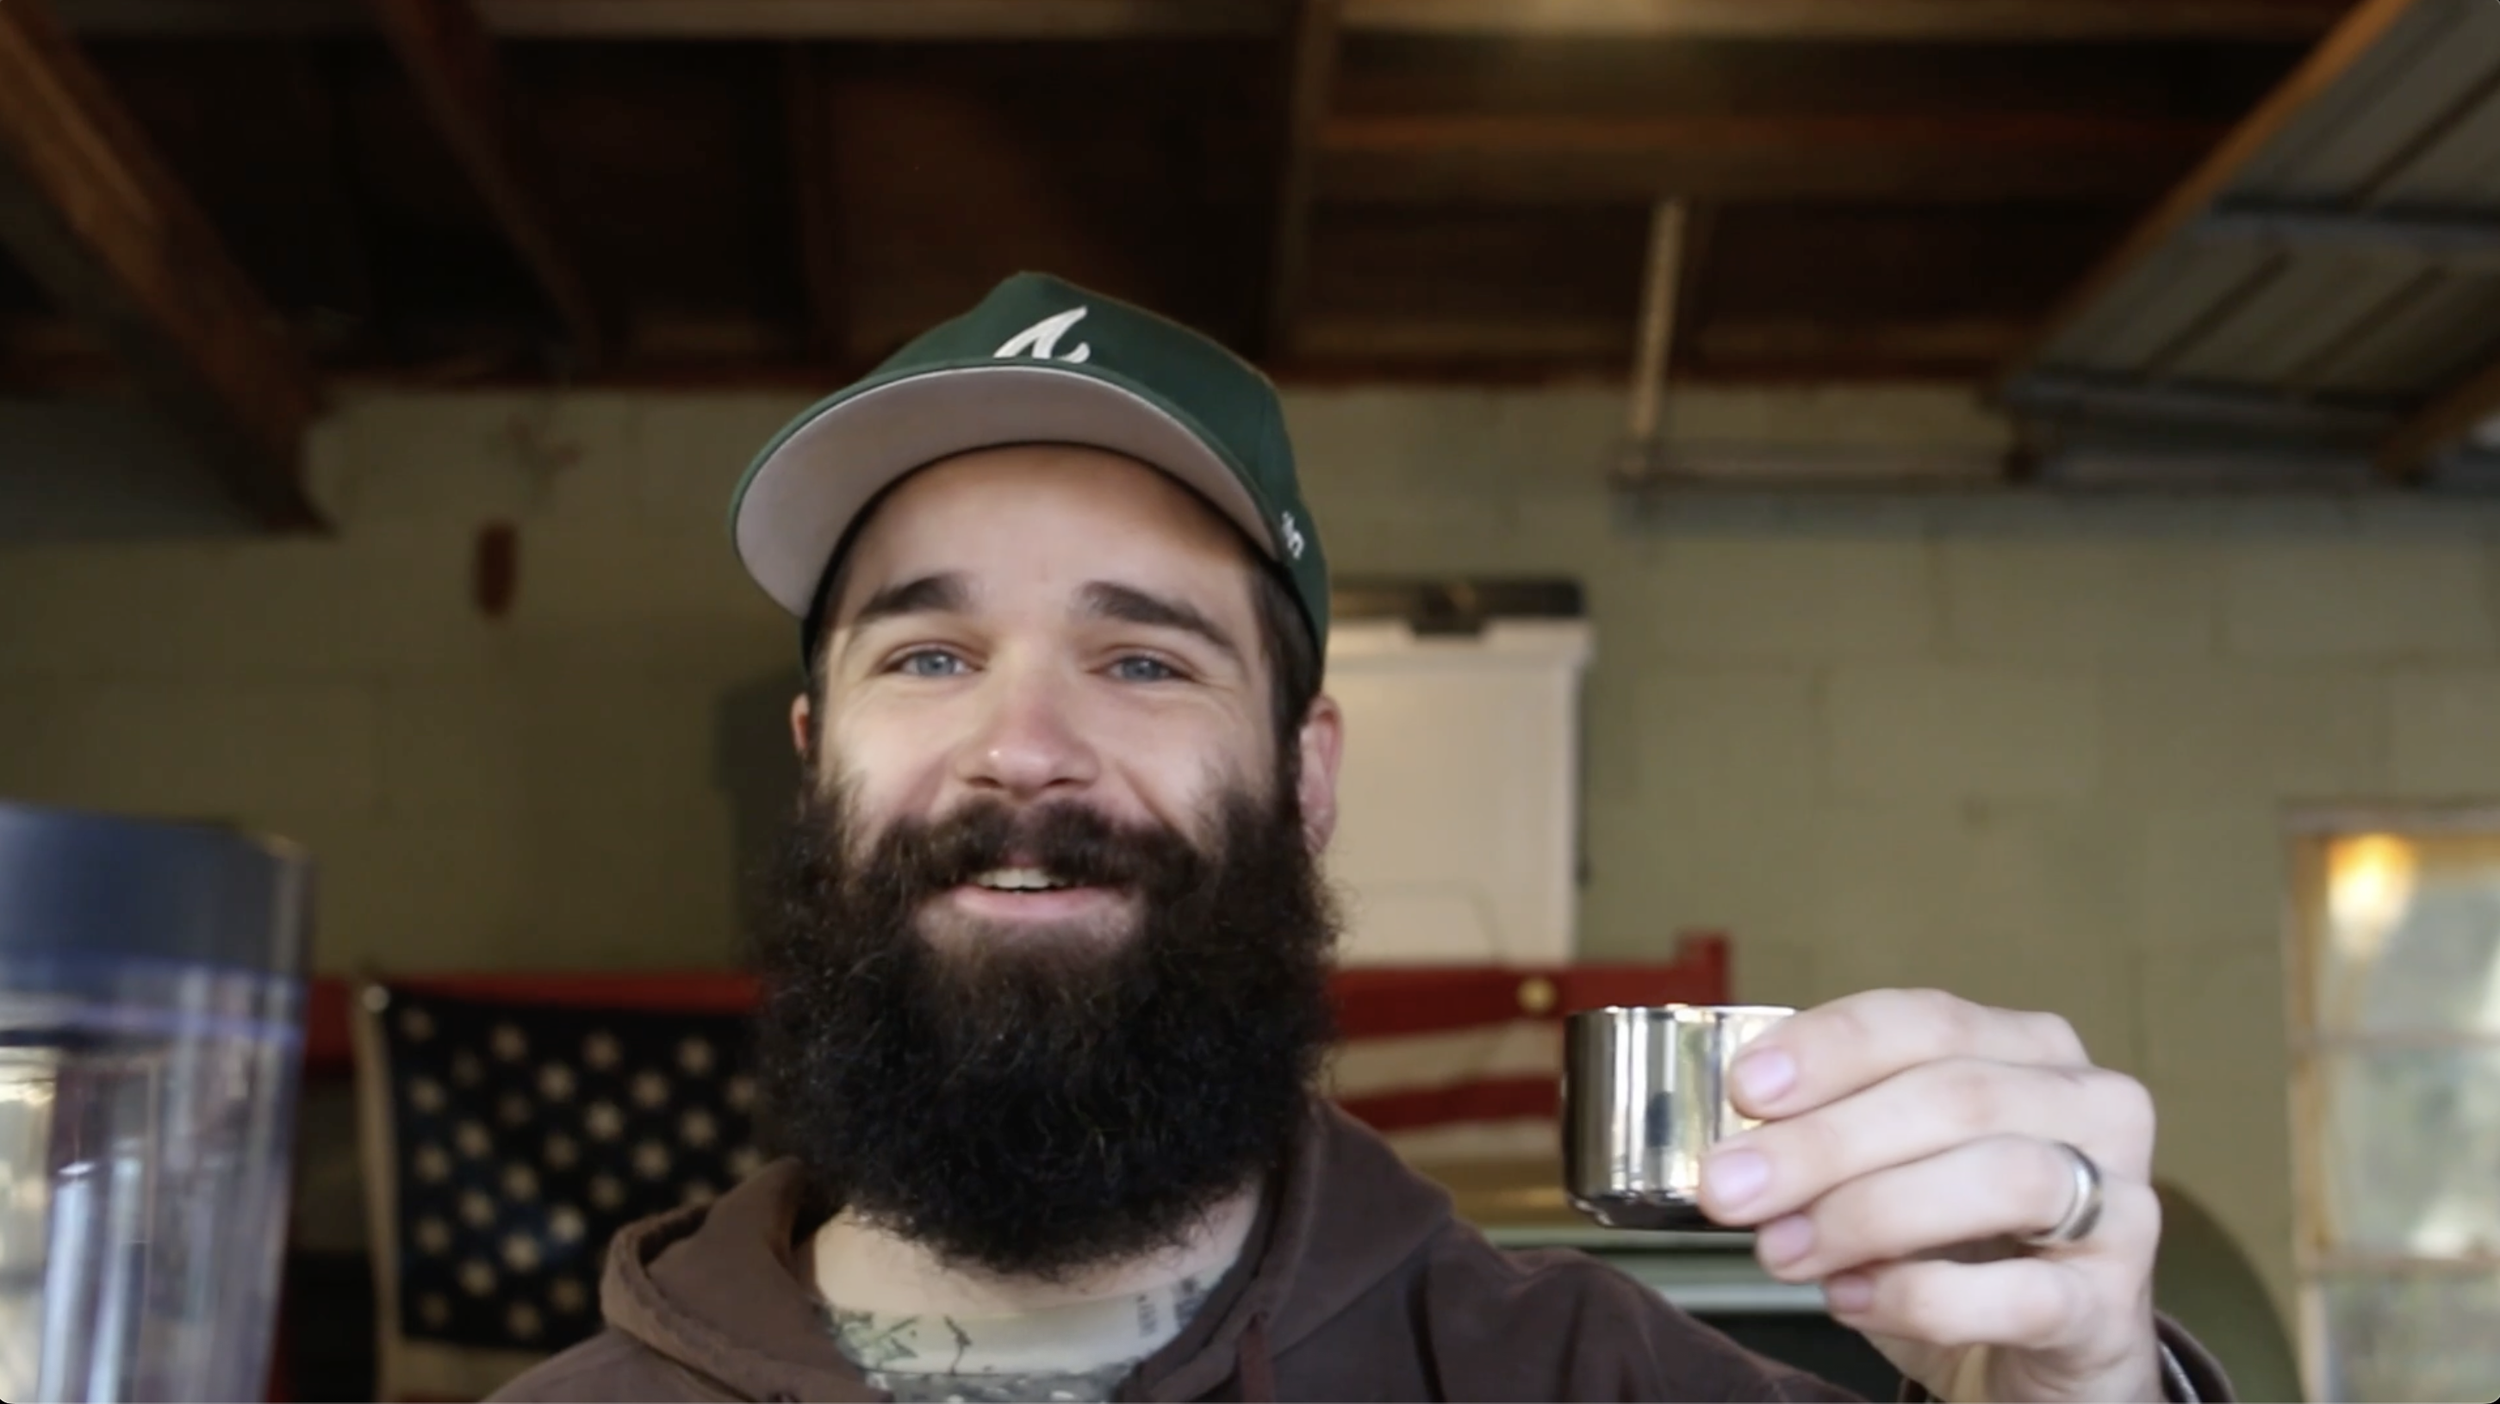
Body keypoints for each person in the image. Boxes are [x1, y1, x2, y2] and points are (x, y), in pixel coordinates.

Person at [488, 273, 2230, 1404]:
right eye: (929, 657)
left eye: (1143, 656)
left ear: (1306, 774)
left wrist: (2084, 1397)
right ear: (818, 767)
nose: (1023, 747)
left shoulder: (1590, 1386)